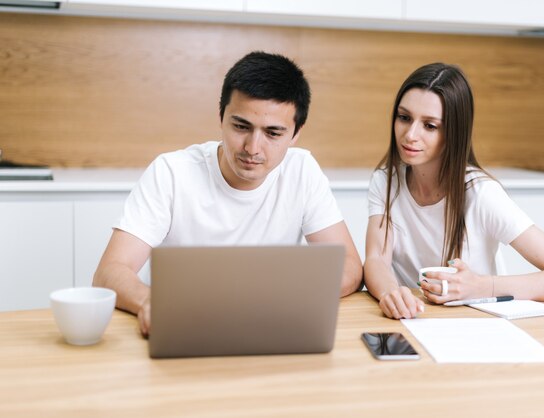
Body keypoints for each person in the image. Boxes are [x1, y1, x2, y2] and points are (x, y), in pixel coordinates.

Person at [93, 51, 363, 335]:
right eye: (241, 126)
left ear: (296, 133)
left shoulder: (302, 171)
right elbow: (109, 272)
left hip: (270, 327)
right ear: (221, 116)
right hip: (186, 327)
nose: (252, 148)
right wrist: (151, 302)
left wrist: (290, 297)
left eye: (273, 133)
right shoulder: (171, 172)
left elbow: (350, 267)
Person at [364, 62, 544, 320]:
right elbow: (376, 259)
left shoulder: (482, 193)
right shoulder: (385, 181)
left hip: (476, 324)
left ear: (453, 132)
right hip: (414, 321)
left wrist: (482, 287)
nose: (410, 134)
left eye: (430, 125)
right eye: (404, 118)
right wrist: (392, 294)